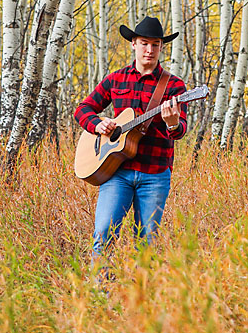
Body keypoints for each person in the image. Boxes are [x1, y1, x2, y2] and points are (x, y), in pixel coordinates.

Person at [74, 16, 188, 260]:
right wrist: (98, 125)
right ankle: (98, 294)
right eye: (144, 43)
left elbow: (180, 131)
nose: (150, 50)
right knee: (103, 235)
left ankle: (140, 295)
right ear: (133, 44)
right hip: (116, 171)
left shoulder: (174, 86)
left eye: (155, 45)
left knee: (146, 243)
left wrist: (172, 123)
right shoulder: (116, 79)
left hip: (155, 174)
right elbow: (83, 109)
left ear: (161, 47)